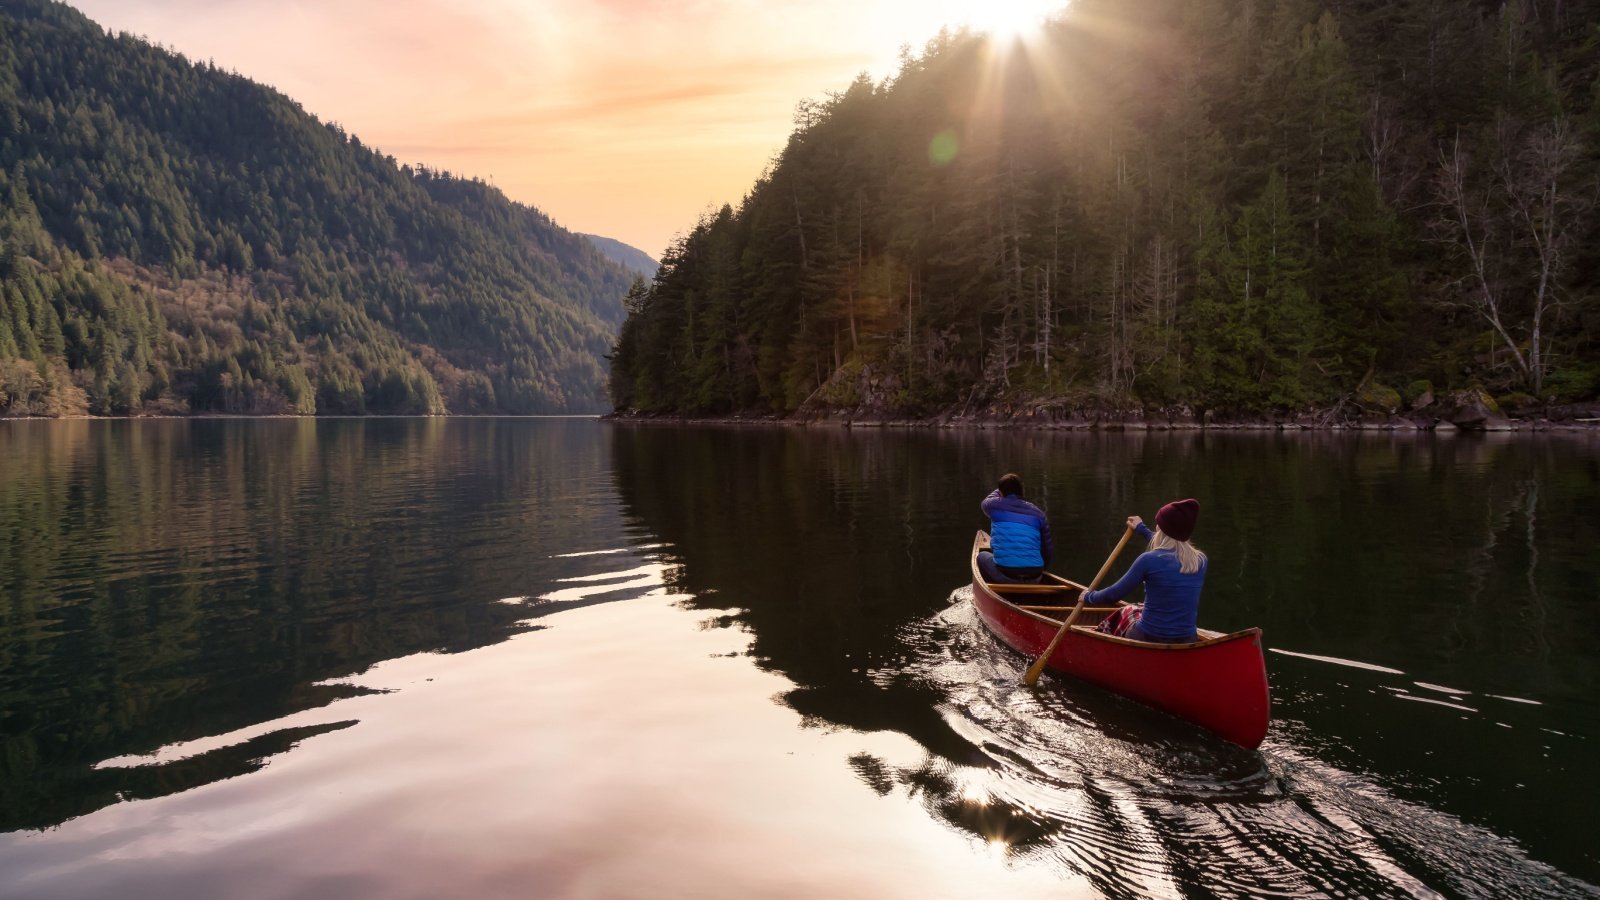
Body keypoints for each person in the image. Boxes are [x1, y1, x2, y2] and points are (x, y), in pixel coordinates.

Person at [1082, 498, 1206, 643]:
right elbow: (1169, 546)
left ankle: (1103, 641)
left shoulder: (1147, 560)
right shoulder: (1200, 560)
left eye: (1159, 524)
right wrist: (1141, 529)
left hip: (1148, 636)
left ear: (1162, 529)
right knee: (1140, 607)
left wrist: (1089, 597)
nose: (1157, 527)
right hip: (1187, 639)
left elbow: (1113, 595)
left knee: (1126, 611)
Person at [978, 473, 1053, 584]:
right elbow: (1047, 550)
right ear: (1022, 491)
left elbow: (987, 500)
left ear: (1001, 492)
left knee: (981, 556)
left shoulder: (994, 506)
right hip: (1034, 575)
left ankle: (995, 592)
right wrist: (1042, 569)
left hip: (1006, 574)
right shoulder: (1039, 514)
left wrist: (1001, 488)